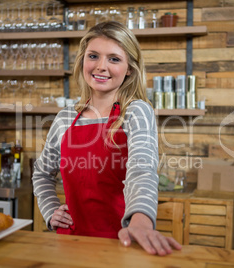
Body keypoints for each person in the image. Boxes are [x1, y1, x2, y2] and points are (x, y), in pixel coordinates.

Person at [32, 21, 182, 256]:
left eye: (114, 59)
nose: (101, 66)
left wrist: (141, 222)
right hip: (70, 244)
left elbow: (142, 170)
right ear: (83, 60)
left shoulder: (136, 111)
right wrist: (50, 210)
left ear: (130, 68)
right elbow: (41, 173)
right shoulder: (65, 119)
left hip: (123, 242)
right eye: (93, 56)